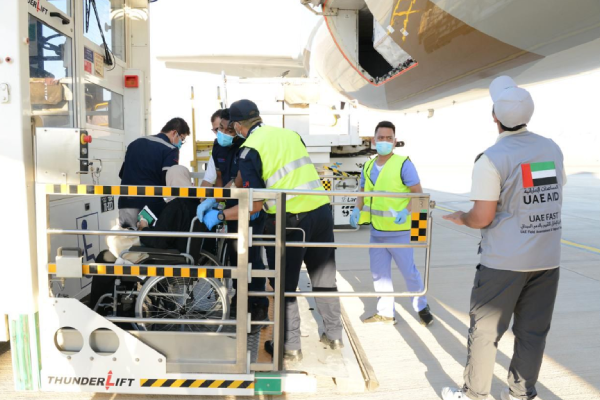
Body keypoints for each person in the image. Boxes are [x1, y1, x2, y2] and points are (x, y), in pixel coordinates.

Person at [441, 76, 566, 400]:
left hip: (504, 263)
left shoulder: (491, 159)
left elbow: (482, 217)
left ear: (494, 116)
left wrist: (463, 217)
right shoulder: (551, 148)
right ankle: (521, 394)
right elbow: (546, 193)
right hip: (546, 259)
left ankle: (475, 394)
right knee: (533, 332)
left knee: (486, 332)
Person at [224, 99, 343, 363]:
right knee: (324, 278)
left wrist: (221, 214)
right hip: (321, 213)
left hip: (290, 222)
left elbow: (255, 205)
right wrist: (232, 187)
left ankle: (290, 346)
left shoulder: (248, 150)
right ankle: (334, 335)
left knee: (285, 286)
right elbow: (256, 175)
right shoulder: (290, 135)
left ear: (238, 126)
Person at [350, 121, 434, 327]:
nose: (385, 141)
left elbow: (419, 194)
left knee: (409, 272)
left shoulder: (404, 164)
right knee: (380, 275)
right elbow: (362, 192)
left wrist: (407, 213)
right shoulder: (368, 166)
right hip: (377, 231)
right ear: (374, 140)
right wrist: (356, 209)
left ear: (395, 141)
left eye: (389, 138)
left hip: (400, 231)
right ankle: (386, 313)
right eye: (381, 138)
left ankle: (422, 307)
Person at [196, 108, 269, 329]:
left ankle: (259, 306)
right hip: (230, 210)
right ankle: (239, 299)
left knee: (252, 257)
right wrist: (212, 200)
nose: (220, 133)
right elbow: (217, 177)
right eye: (217, 129)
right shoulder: (219, 146)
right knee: (234, 256)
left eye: (224, 129)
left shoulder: (247, 145)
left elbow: (240, 181)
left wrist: (219, 202)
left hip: (251, 209)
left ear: (235, 127)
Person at [118, 117, 190, 228]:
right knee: (149, 238)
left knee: (129, 237)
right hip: (149, 209)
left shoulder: (135, 143)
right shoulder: (170, 149)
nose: (181, 143)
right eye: (182, 139)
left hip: (125, 205)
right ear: (174, 133)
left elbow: (122, 174)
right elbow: (168, 182)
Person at [200, 109, 224, 188]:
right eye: (215, 130)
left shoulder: (242, 146)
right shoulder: (217, 149)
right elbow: (208, 180)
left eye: (220, 128)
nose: (218, 133)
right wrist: (199, 195)